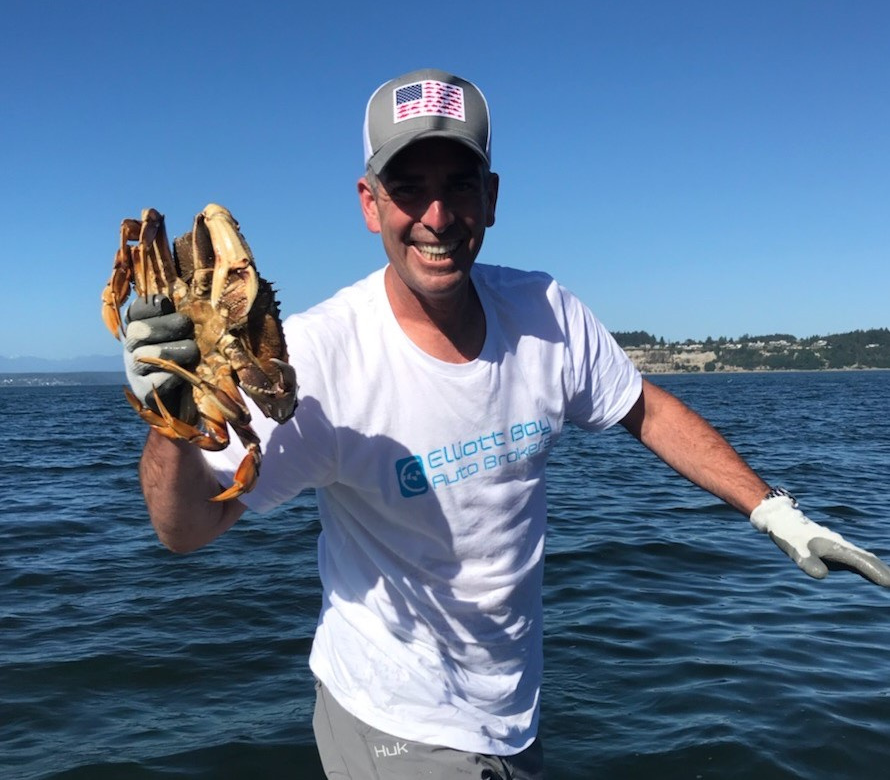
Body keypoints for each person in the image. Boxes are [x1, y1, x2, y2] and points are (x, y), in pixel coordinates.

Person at [123, 68, 890, 780]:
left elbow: (646, 409)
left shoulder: (546, 313)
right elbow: (185, 530)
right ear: (368, 204)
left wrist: (775, 512)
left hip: (513, 715)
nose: (436, 217)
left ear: (491, 197)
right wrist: (172, 415)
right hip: (390, 719)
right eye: (407, 189)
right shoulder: (319, 359)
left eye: (458, 186)